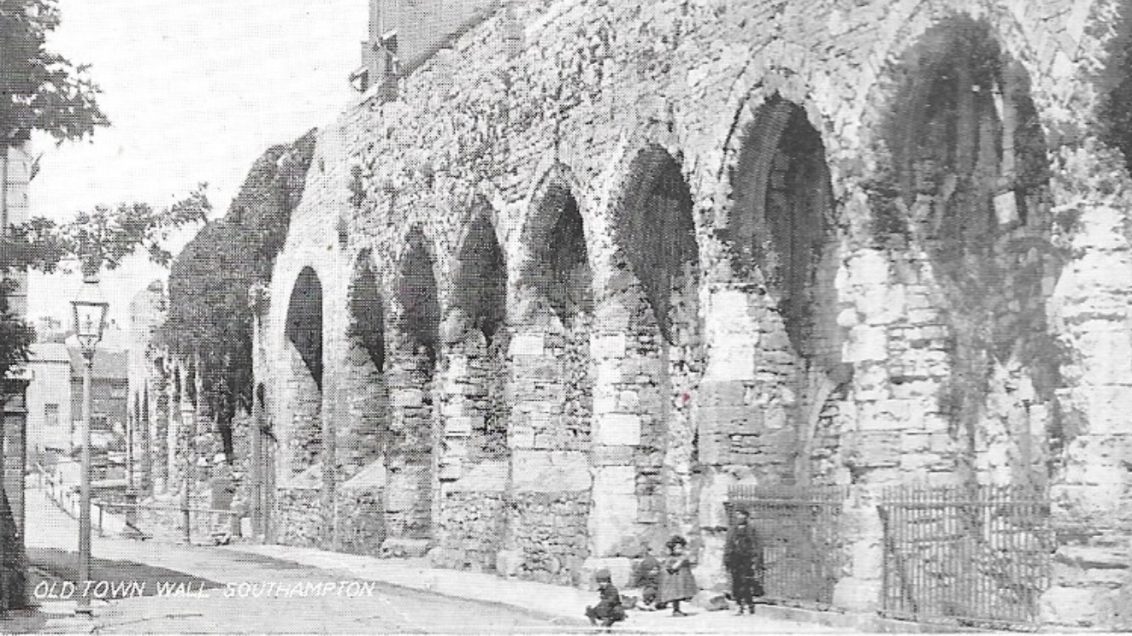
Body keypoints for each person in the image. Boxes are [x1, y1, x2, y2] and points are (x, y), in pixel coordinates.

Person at [723, 507, 765, 615]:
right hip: (735, 559)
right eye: (737, 515)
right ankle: (739, 605)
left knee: (746, 581)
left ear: (746, 516)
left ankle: (748, 604)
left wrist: (757, 560)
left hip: (747, 559)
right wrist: (726, 559)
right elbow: (728, 544)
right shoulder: (732, 529)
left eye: (742, 515)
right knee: (736, 582)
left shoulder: (751, 529)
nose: (739, 517)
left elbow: (757, 545)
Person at [658, 535, 697, 617]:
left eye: (681, 548)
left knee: (680, 595)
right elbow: (671, 568)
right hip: (674, 580)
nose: (680, 550)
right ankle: (675, 610)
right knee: (675, 595)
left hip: (681, 580)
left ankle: (678, 609)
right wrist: (680, 561)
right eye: (677, 548)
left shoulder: (682, 557)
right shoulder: (671, 558)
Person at [632, 544, 661, 610]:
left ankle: (647, 603)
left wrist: (636, 583)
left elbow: (639, 575)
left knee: (641, 595)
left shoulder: (645, 562)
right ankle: (651, 603)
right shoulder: (656, 561)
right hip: (657, 588)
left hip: (648, 588)